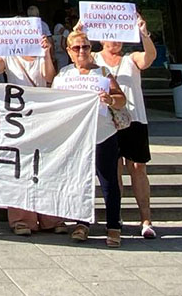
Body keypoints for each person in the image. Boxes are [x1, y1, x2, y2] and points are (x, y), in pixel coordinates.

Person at [0, 26, 60, 236]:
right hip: (17, 117)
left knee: (46, 166)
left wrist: (47, 53)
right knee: (19, 166)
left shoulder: (41, 53)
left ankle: (51, 216)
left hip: (43, 116)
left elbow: (49, 76)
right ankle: (21, 218)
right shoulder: (9, 56)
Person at [53, 30, 126, 248]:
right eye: (76, 48)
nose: (82, 51)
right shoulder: (63, 76)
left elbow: (121, 99)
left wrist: (110, 99)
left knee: (109, 182)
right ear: (69, 51)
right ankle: (82, 223)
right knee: (78, 182)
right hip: (77, 139)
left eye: (85, 47)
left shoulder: (103, 73)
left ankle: (113, 226)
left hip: (103, 135)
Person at [93, 14, 158, 239]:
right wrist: (80, 26)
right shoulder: (93, 59)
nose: (116, 41)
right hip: (106, 122)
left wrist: (143, 33)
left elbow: (149, 57)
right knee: (114, 170)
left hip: (135, 119)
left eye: (120, 37)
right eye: (111, 37)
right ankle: (116, 216)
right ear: (101, 39)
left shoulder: (131, 59)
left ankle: (146, 219)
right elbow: (75, 52)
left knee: (138, 168)